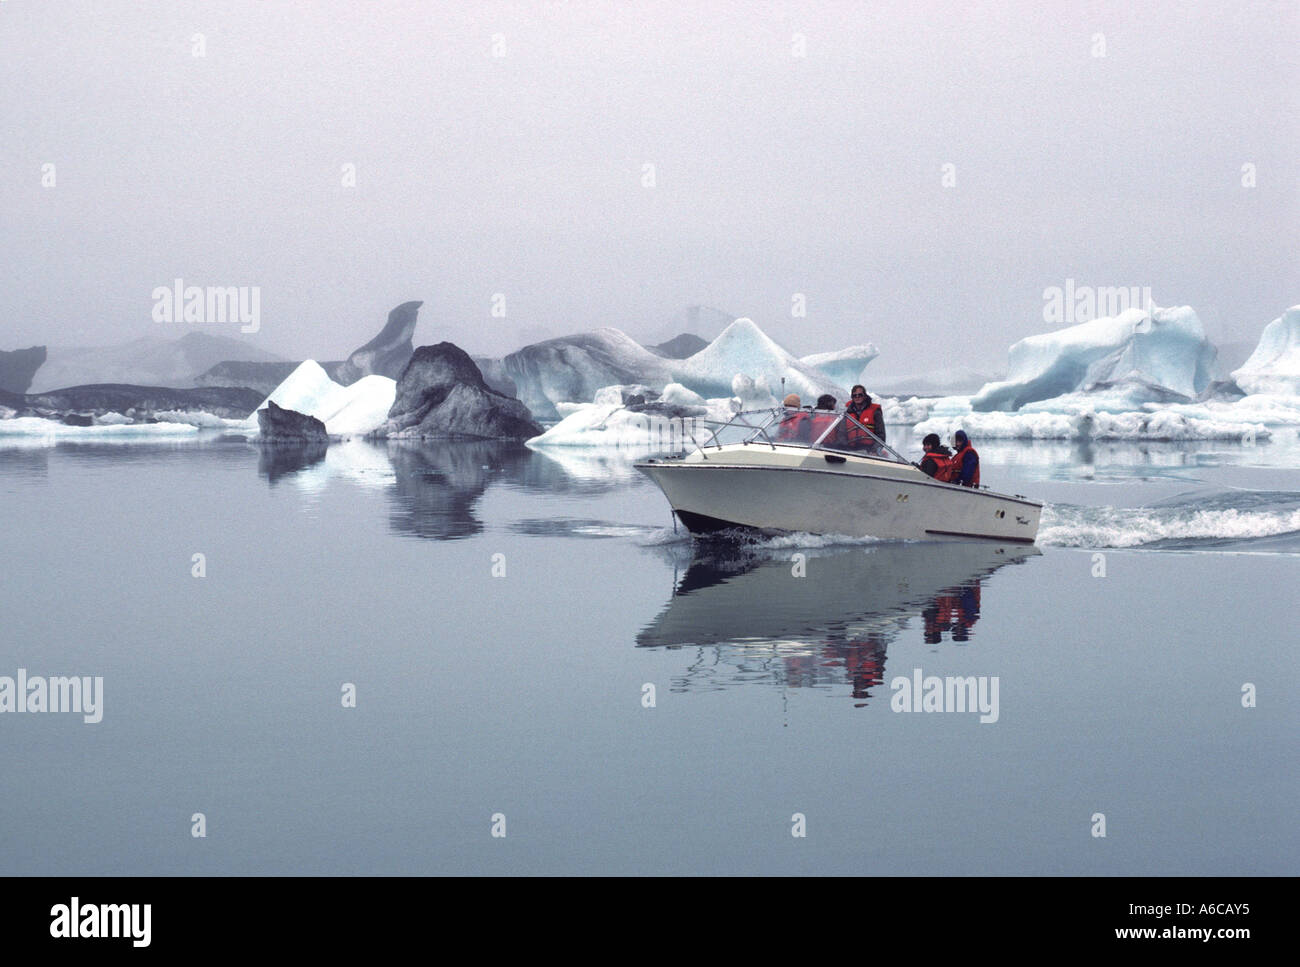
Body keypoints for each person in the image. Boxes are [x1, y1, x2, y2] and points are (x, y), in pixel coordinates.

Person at [844, 385, 885, 450]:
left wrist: (874, 450)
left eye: (860, 395)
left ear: (865, 396)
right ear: (852, 397)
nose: (857, 397)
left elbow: (881, 436)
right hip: (850, 449)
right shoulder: (847, 413)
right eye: (854, 395)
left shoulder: (875, 412)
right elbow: (842, 433)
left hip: (869, 449)